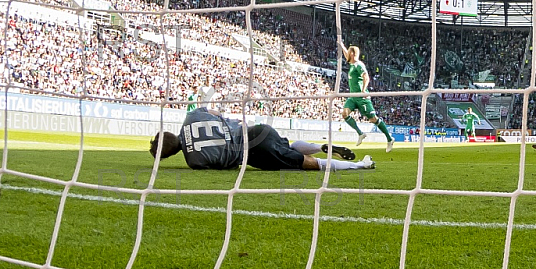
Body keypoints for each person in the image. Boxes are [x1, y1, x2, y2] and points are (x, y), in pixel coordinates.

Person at [150, 107, 375, 171]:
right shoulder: (192, 115)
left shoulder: (195, 161)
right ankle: (320, 146)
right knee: (287, 146)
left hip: (255, 153)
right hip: (257, 130)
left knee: (307, 164)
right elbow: (218, 114)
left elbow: (225, 165)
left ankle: (359, 165)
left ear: (168, 155)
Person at [337, 41, 394, 152]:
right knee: (344, 113)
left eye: (349, 52)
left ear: (352, 54)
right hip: (353, 97)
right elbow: (345, 54)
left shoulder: (359, 65)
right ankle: (360, 133)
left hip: (361, 97)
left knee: (373, 119)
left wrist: (363, 90)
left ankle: (389, 138)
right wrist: (342, 45)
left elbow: (366, 77)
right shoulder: (352, 64)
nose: (347, 54)